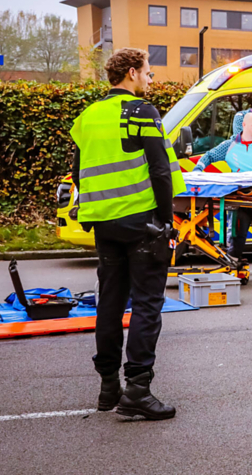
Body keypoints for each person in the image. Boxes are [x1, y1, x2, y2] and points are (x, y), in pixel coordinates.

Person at [69, 47, 185, 420]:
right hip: (141, 223)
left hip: (104, 224)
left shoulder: (88, 116)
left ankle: (108, 388)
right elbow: (161, 170)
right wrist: (166, 222)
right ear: (132, 73)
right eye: (148, 72)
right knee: (147, 305)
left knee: (110, 302)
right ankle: (137, 389)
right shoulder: (141, 111)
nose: (150, 79)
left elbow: (78, 169)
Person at [192, 113, 252, 268]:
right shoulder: (230, 145)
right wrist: (197, 170)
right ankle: (233, 262)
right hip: (241, 197)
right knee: (238, 233)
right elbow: (209, 156)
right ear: (244, 125)